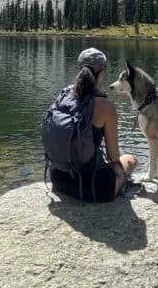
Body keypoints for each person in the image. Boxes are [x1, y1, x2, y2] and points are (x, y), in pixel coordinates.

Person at [48, 47, 138, 202]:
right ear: (102, 72)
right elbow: (114, 157)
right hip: (94, 188)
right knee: (131, 159)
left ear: (79, 69)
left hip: (58, 178)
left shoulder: (63, 95)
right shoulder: (105, 106)